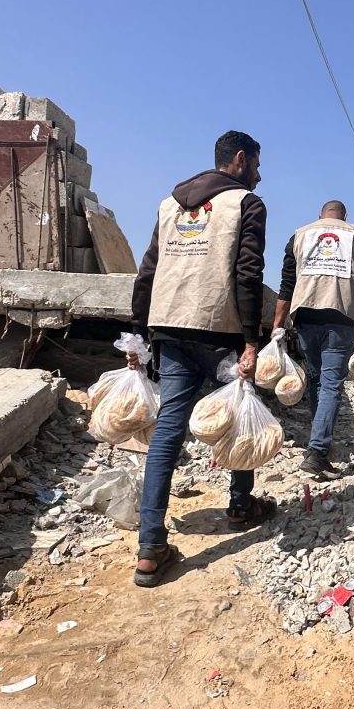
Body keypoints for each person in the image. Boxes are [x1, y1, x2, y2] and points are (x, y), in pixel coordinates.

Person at [128, 130, 275, 588]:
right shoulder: (246, 204)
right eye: (256, 163)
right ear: (239, 159)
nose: (258, 173)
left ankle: (150, 546)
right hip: (220, 327)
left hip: (170, 326)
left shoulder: (168, 204)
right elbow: (248, 272)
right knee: (238, 417)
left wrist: (138, 332)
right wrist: (252, 340)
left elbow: (148, 269)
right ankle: (239, 504)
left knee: (168, 431)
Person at [274, 200, 354, 480]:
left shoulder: (299, 234)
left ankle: (318, 439)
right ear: (345, 216)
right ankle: (317, 450)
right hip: (340, 316)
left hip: (305, 317)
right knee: (331, 383)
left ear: (320, 216)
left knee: (316, 378)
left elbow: (287, 284)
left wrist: (277, 323)